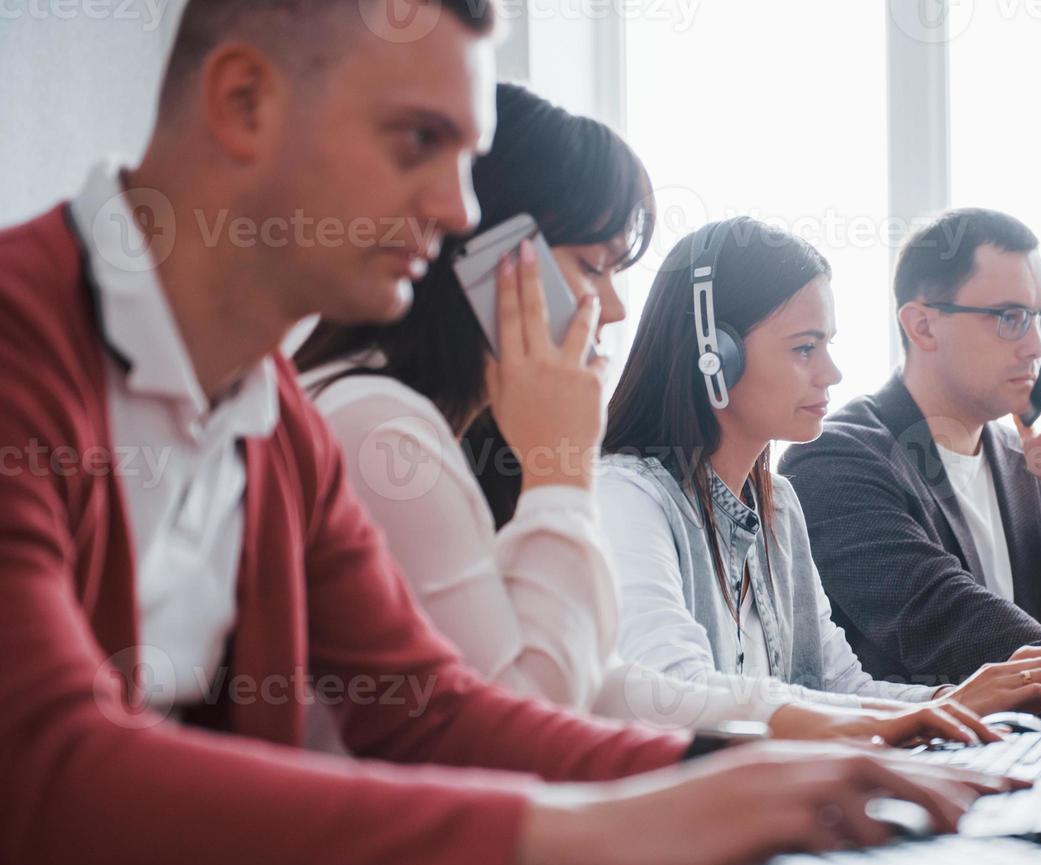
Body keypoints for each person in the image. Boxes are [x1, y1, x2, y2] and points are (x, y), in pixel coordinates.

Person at [0, 0, 994, 865]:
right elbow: (42, 772)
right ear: (245, 100)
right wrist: (603, 824)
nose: (457, 211)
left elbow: (433, 712)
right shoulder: (21, 343)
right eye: (418, 141)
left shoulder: (277, 419)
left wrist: (731, 770)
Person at [295, 84, 983, 747]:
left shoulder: (446, 442)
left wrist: (878, 718)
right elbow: (533, 711)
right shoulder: (386, 432)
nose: (613, 307)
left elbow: (601, 685)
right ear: (491, 262)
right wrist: (560, 466)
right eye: (593, 268)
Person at [598, 217, 1041, 723]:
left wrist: (949, 702)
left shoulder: (778, 506)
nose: (831, 373)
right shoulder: (627, 497)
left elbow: (839, 686)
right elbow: (672, 693)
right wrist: (932, 710)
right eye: (804, 348)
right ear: (716, 356)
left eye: (828, 345)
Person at [780, 208, 1041, 708]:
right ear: (923, 326)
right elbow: (941, 618)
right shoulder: (833, 460)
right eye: (1010, 318)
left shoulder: (1028, 461)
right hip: (923, 769)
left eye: (1039, 318)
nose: (1034, 346)